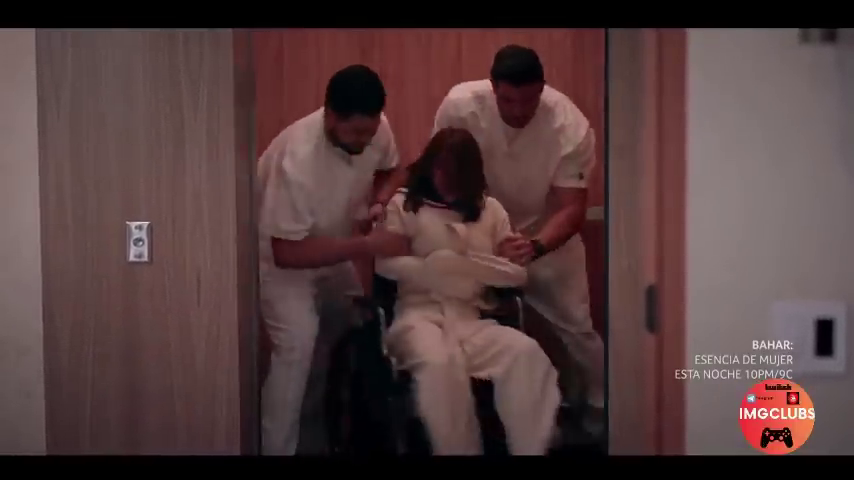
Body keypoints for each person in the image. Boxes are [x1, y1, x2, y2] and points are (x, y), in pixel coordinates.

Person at [431, 45, 605, 436]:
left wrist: (535, 245)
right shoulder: (460, 107)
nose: (518, 111)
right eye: (508, 101)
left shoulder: (569, 125)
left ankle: (599, 403)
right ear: (493, 88)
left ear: (542, 88)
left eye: (529, 101)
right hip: (479, 231)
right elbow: (442, 177)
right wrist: (472, 234)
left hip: (546, 235)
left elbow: (572, 208)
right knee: (462, 327)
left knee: (577, 328)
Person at [375, 127, 562, 455]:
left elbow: (513, 273)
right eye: (442, 172)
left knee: (526, 354)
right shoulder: (403, 205)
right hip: (418, 317)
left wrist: (496, 259)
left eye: (457, 176)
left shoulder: (490, 210)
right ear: (431, 166)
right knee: (439, 365)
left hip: (471, 319)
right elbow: (384, 265)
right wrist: (434, 268)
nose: (447, 183)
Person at [257, 64, 410, 455]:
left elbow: (393, 170)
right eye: (355, 133)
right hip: (282, 258)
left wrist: (379, 201)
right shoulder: (297, 159)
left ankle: (327, 435)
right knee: (298, 345)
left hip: (336, 246)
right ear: (329, 116)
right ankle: (278, 448)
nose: (364, 141)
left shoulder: (376, 128)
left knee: (355, 323)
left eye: (369, 132)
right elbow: (286, 252)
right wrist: (366, 246)